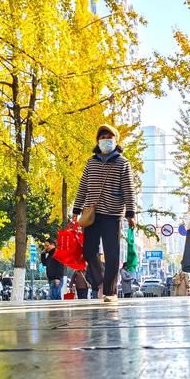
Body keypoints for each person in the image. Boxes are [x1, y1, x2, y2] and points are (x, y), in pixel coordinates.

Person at [72, 124, 136, 303]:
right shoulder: (91, 162)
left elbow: (129, 190)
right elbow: (83, 186)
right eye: (102, 137)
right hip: (92, 213)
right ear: (97, 141)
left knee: (112, 253)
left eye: (109, 137)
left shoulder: (123, 163)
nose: (105, 140)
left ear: (115, 140)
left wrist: (131, 213)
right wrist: (76, 209)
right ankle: (100, 279)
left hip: (113, 213)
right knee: (88, 251)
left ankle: (110, 291)